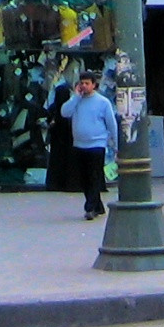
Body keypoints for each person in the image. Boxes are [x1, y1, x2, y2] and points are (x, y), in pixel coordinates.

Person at [61, 73, 118, 219]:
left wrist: (116, 144)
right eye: (82, 83)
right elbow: (64, 113)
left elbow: (111, 124)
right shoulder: (76, 101)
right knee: (84, 178)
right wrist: (75, 97)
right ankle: (98, 206)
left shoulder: (103, 102)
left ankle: (90, 208)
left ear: (94, 85)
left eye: (87, 83)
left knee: (94, 176)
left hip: (97, 144)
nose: (84, 86)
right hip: (79, 144)